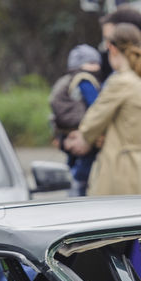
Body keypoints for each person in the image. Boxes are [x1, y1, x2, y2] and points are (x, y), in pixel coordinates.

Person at [63, 23, 141, 196]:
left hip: (121, 173)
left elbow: (91, 124)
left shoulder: (120, 82)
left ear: (112, 48)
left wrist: (82, 138)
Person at [49, 44, 103, 195]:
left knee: (72, 165)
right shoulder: (85, 80)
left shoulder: (67, 79)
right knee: (83, 171)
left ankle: (71, 190)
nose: (97, 66)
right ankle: (77, 194)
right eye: (92, 63)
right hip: (82, 131)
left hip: (67, 131)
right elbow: (96, 105)